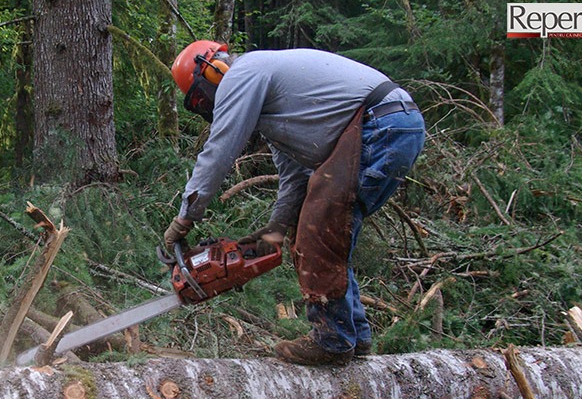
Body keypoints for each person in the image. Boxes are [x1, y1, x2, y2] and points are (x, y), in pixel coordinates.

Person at [162, 40, 425, 366]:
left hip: (378, 125)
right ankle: (355, 335)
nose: (209, 105)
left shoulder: (242, 74)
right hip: (392, 124)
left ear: (213, 70)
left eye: (203, 97)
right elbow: (294, 176)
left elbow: (219, 150)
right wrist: (276, 229)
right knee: (328, 230)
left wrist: (185, 217)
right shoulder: (276, 108)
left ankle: (333, 340)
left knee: (320, 228)